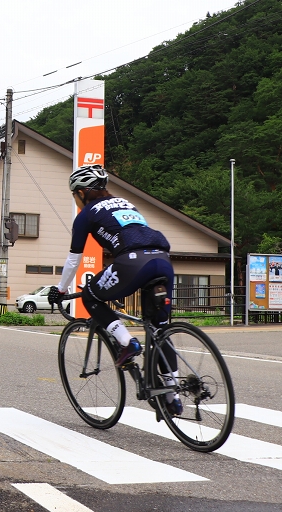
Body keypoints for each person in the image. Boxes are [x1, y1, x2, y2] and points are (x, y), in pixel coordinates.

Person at [49, 164, 182, 414]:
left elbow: (74, 259)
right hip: (162, 260)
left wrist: (61, 290)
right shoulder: (125, 204)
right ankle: (173, 395)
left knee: (90, 294)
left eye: (74, 195)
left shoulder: (86, 214)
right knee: (160, 330)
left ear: (81, 192)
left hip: (132, 262)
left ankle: (126, 342)